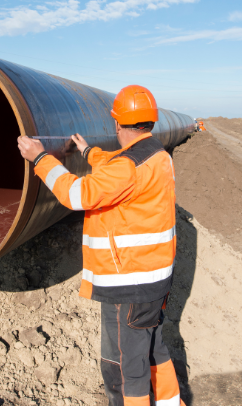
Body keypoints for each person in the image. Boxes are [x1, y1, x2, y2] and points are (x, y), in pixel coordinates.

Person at [17, 85, 185, 406]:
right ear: (150, 122)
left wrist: (39, 158)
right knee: (152, 347)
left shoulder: (126, 168)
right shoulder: (156, 155)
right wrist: (86, 152)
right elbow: (116, 164)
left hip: (129, 285)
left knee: (124, 365)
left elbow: (77, 194)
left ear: (117, 123)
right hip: (154, 278)